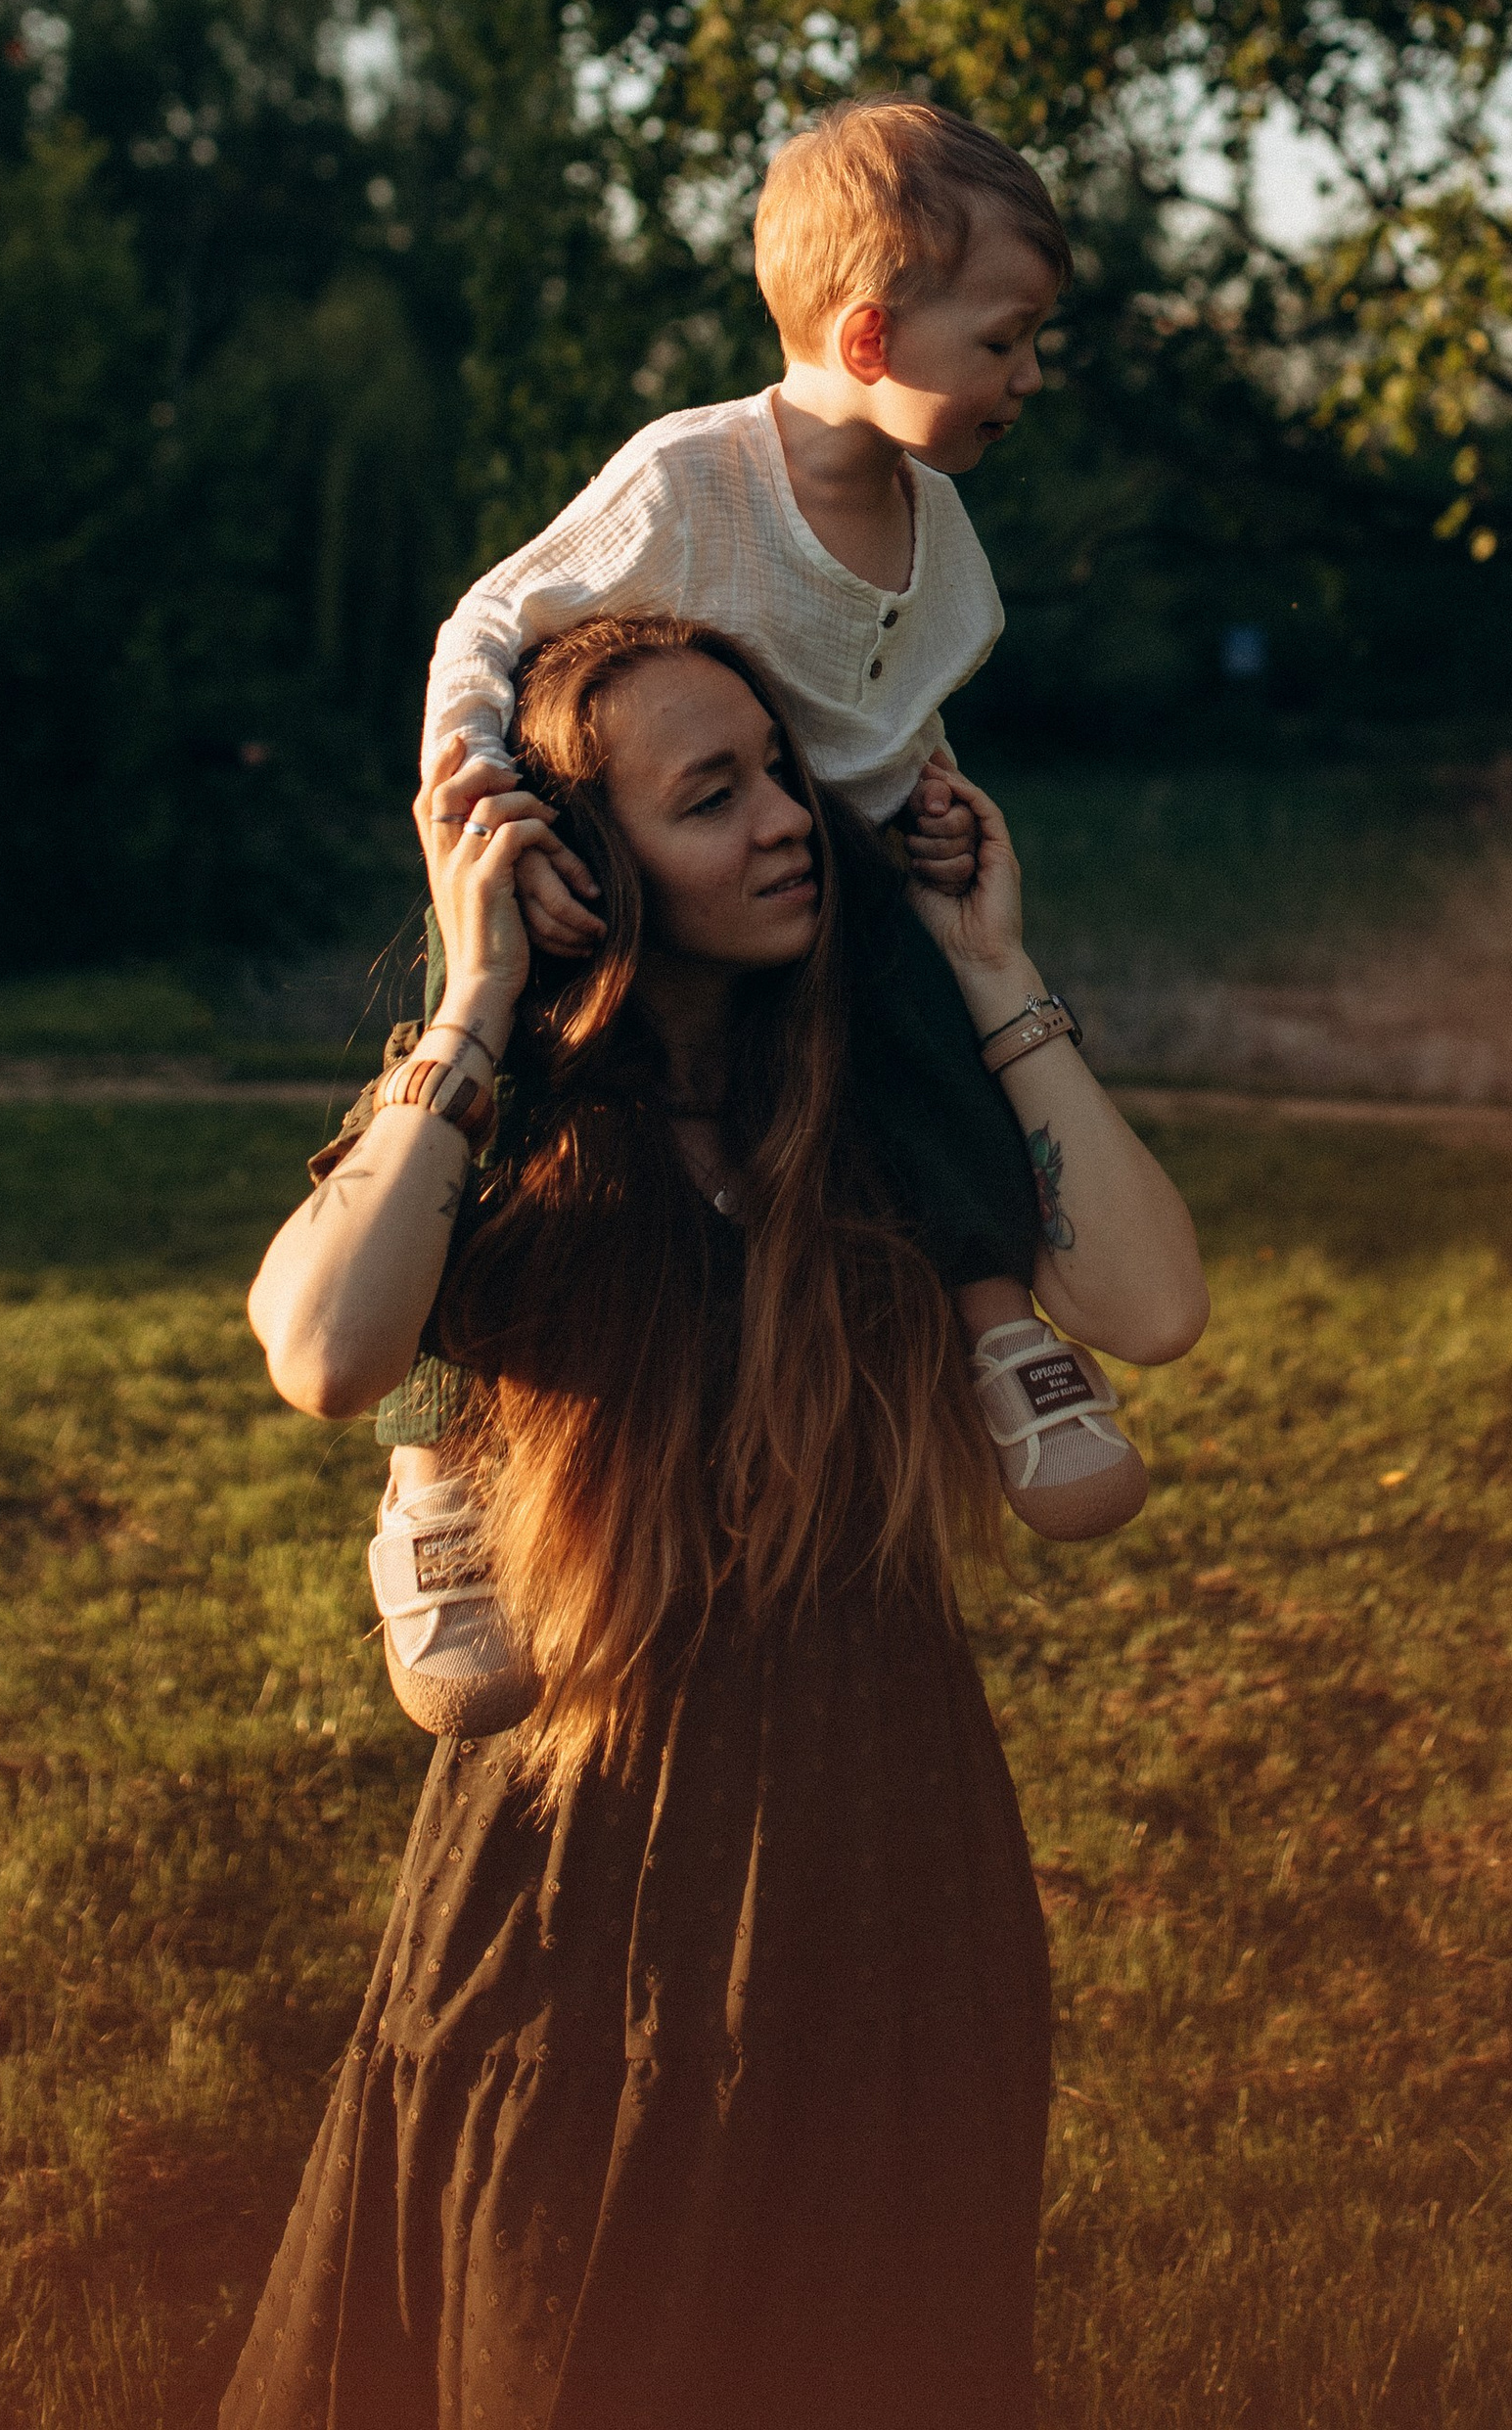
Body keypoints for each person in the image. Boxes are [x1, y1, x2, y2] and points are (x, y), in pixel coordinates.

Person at [225, 613, 1207, 2430]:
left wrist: (995, 969)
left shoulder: (887, 1107)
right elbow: (326, 1348)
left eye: (779, 772)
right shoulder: (495, 1125)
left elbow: (1148, 1306)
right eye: (709, 794)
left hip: (879, 1831)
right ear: (587, 860)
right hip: (568, 1848)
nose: (784, 821)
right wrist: (469, 1000)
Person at [368, 100, 1141, 1732]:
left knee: (927, 1034)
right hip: (604, 840)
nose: (1026, 375)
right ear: (870, 331)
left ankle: (1001, 1331)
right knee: (484, 1078)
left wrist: (927, 805)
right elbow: (496, 613)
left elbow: (884, 719)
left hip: (806, 878)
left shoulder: (947, 552)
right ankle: (438, 1464)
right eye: (1004, 339)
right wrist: (472, 783)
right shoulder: (692, 475)